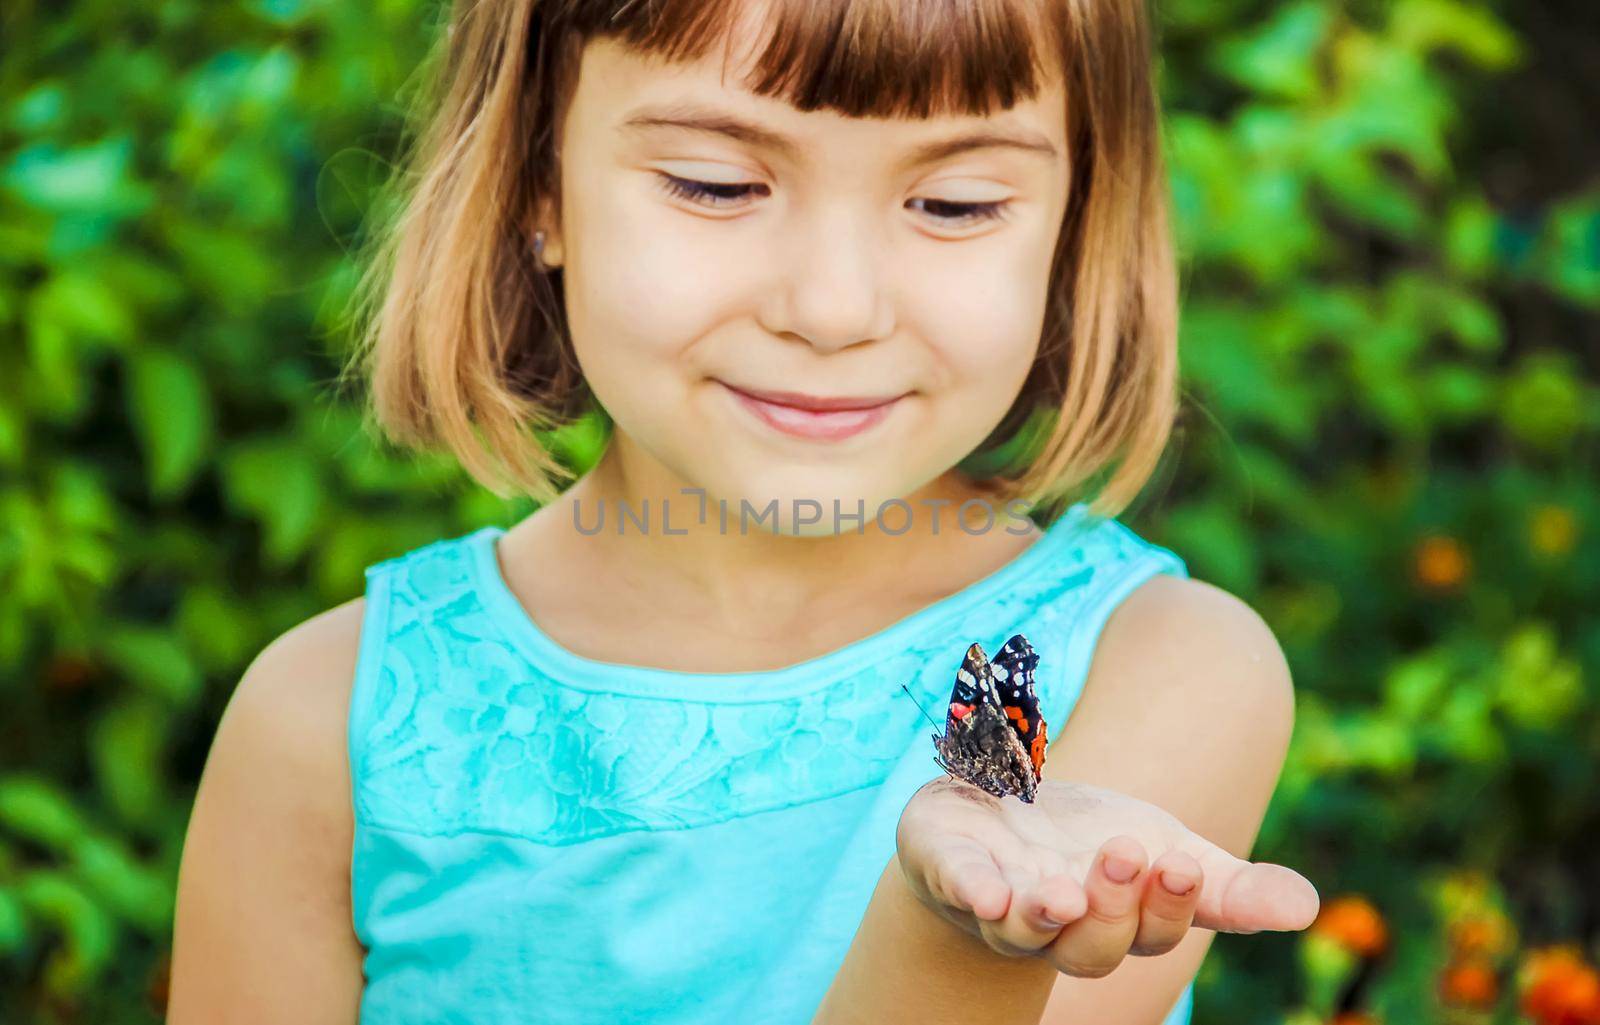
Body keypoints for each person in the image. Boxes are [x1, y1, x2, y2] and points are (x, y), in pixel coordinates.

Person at [167, 0, 1321, 1022]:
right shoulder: (327, 723)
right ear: (538, 186)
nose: (831, 307)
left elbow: (1006, 824)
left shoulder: (1134, 666)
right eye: (716, 184)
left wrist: (962, 926)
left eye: (956, 202)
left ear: (1073, 220)